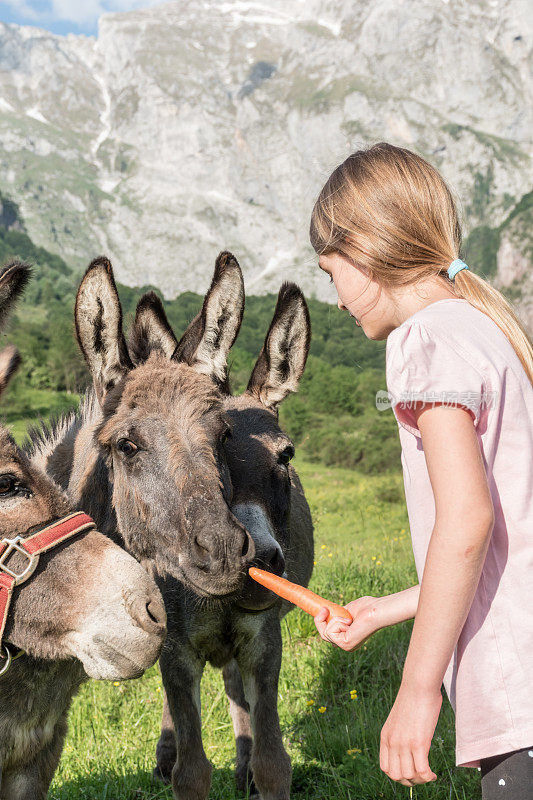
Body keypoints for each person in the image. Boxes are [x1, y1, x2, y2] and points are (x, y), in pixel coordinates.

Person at [309, 143, 533, 798]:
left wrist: (414, 692)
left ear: (364, 249)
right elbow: (506, 544)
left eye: (330, 273)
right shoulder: (484, 327)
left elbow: (466, 522)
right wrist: (386, 609)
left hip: (512, 681)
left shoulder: (423, 338)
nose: (337, 298)